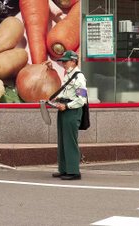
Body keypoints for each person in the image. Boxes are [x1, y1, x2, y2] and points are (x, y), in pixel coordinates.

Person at [52, 50, 87, 180]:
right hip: (63, 110)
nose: (63, 64)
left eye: (65, 61)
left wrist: (67, 106)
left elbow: (81, 99)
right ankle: (63, 169)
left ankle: (73, 171)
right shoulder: (68, 75)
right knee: (62, 140)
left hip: (72, 111)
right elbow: (67, 92)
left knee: (70, 141)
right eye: (63, 62)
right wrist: (58, 98)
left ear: (73, 61)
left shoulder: (79, 77)